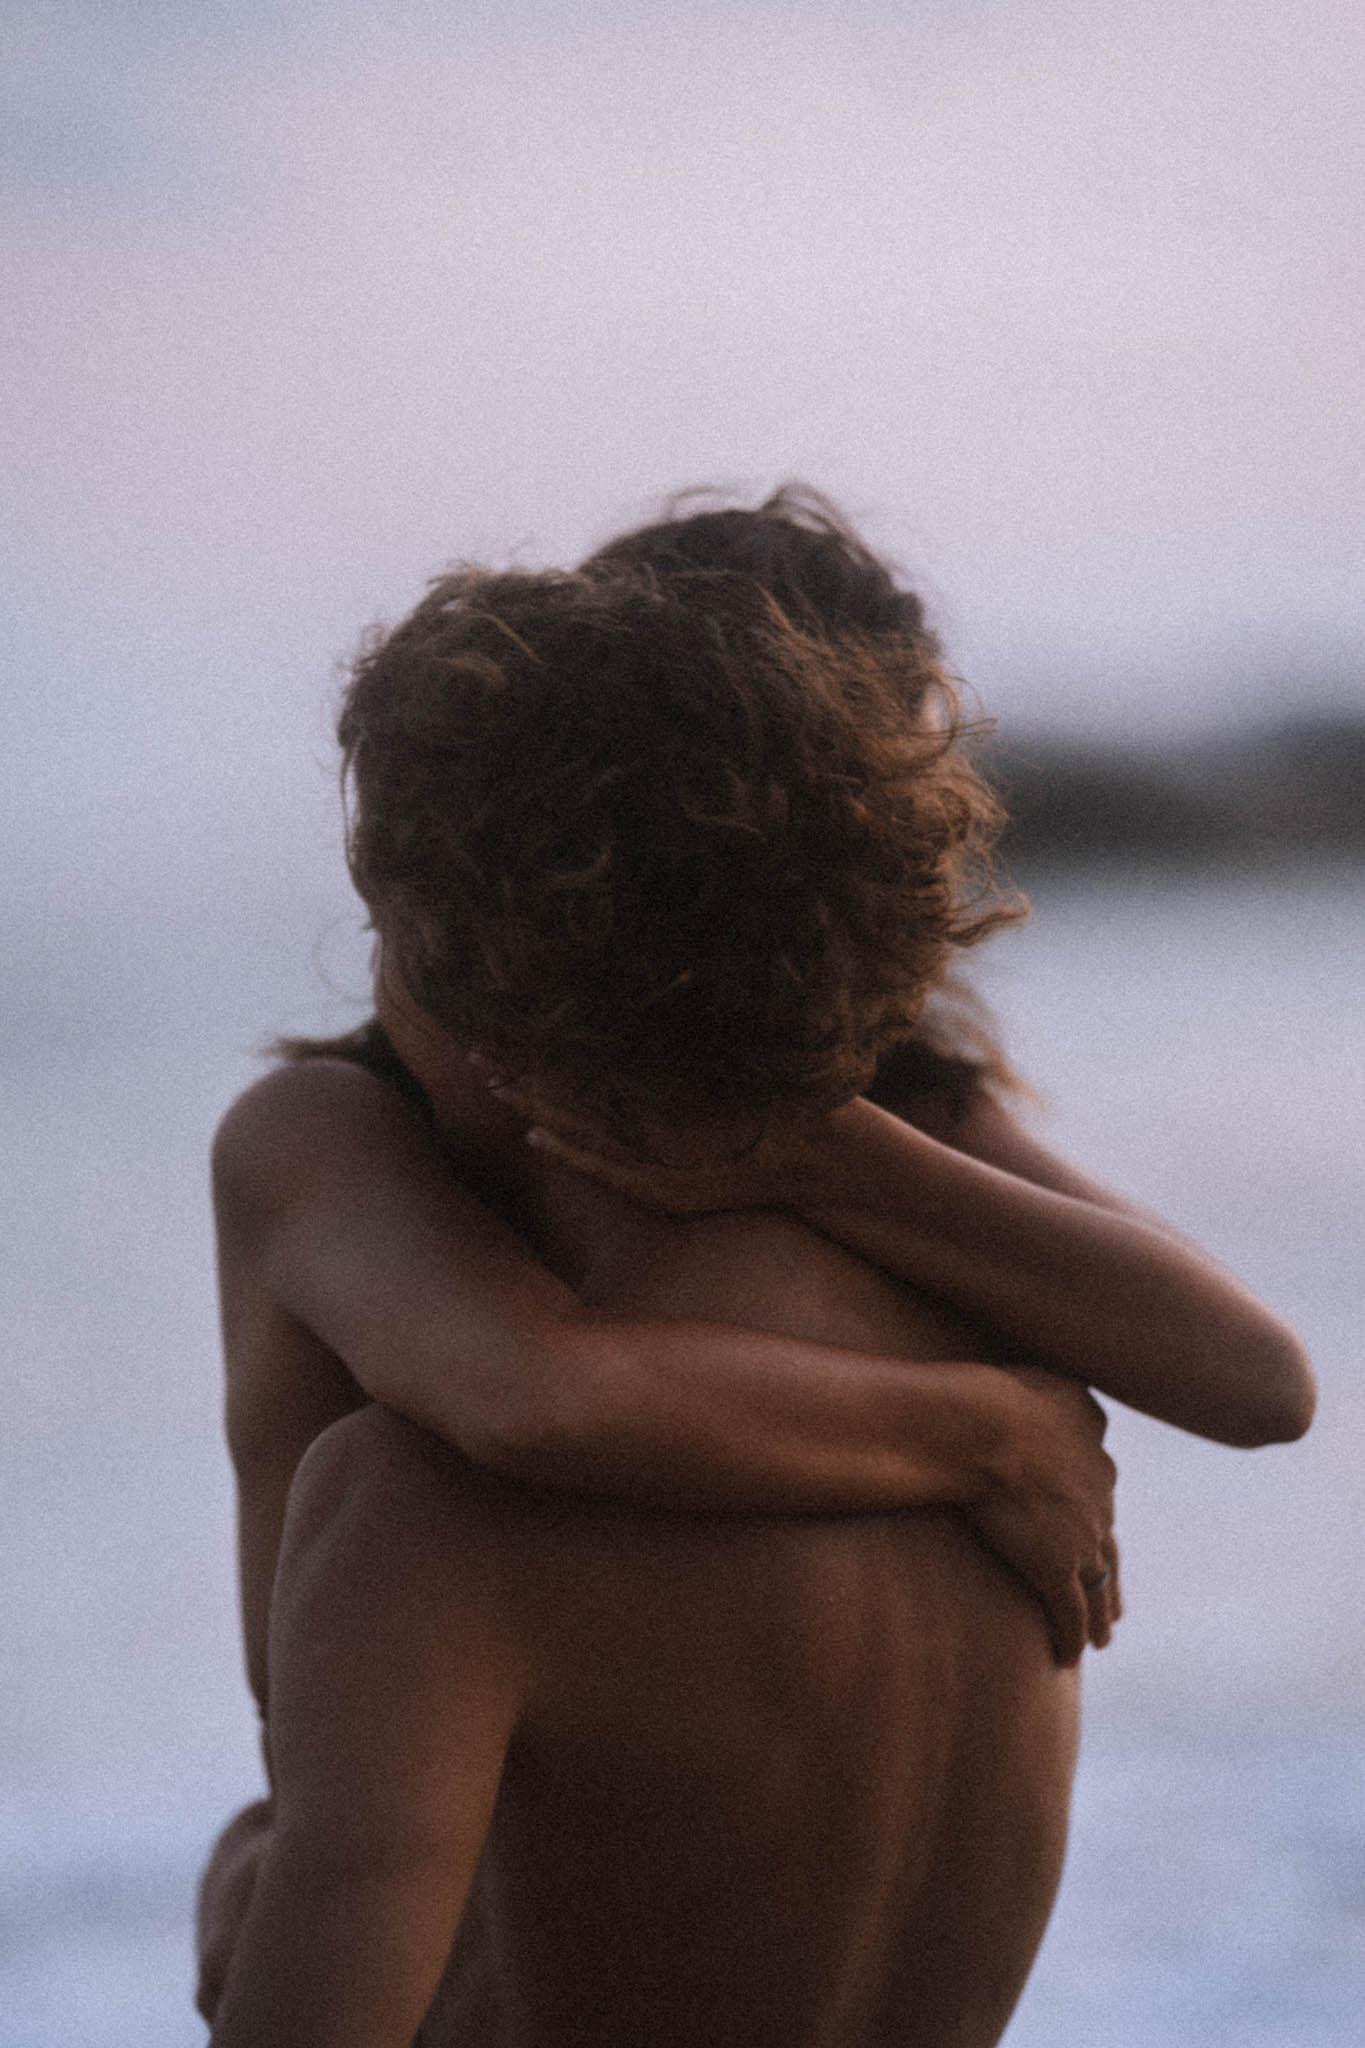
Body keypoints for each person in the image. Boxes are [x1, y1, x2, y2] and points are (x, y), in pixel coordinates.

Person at [198, 499, 1313, 2046]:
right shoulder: (973, 1333)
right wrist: (993, 1426)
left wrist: (825, 1155)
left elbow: (1261, 1380)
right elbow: (529, 1383)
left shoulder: (428, 1517)